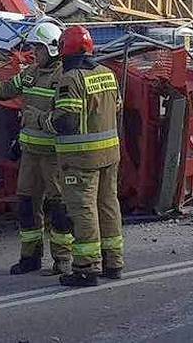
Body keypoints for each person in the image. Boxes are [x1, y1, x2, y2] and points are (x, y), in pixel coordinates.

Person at [0, 20, 74, 276]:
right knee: (27, 204)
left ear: (50, 49)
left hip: (54, 156)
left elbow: (65, 118)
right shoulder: (31, 73)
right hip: (30, 154)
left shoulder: (64, 78)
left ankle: (62, 260)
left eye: (37, 48)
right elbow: (9, 88)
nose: (33, 53)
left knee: (58, 207)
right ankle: (30, 257)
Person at [48, 25, 123, 288]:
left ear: (63, 52)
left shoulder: (71, 79)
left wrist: (44, 120)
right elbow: (117, 107)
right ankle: (113, 262)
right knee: (108, 205)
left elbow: (66, 121)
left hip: (81, 159)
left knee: (83, 210)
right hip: (110, 154)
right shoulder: (108, 74)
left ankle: (87, 268)